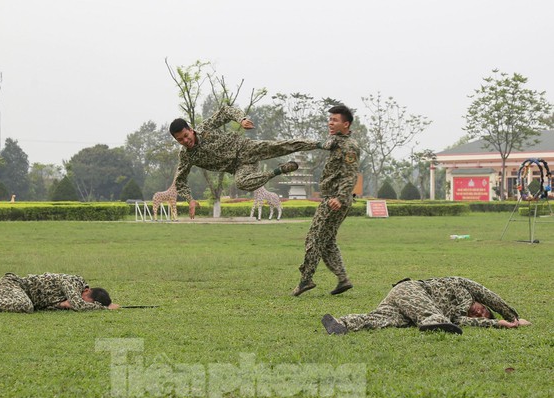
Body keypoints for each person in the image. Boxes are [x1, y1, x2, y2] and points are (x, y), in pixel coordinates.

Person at [169, 104, 339, 217]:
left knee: (282, 146)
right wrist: (189, 199)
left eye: (186, 136)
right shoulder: (186, 156)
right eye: (180, 140)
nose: (185, 141)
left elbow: (225, 112)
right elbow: (180, 181)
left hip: (245, 148)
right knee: (241, 183)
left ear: (191, 130)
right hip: (240, 167)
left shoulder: (203, 129)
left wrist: (241, 119)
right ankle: (279, 170)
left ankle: (320, 144)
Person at [292, 104, 360, 297]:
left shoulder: (349, 146)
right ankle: (343, 279)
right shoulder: (337, 141)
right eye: (329, 119)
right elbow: (326, 144)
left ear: (346, 124)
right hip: (335, 198)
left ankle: (305, 279)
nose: (330, 123)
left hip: (334, 200)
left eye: (335, 120)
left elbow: (350, 175)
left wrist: (339, 197)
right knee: (327, 240)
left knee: (314, 238)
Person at [320, 276, 532, 335]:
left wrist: (499, 324)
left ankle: (342, 324)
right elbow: (492, 296)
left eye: (482, 316)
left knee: (383, 319)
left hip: (406, 307)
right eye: (484, 310)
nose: (480, 313)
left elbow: (470, 323)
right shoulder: (464, 285)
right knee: (432, 314)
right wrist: (513, 317)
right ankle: (433, 322)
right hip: (411, 290)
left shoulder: (458, 318)